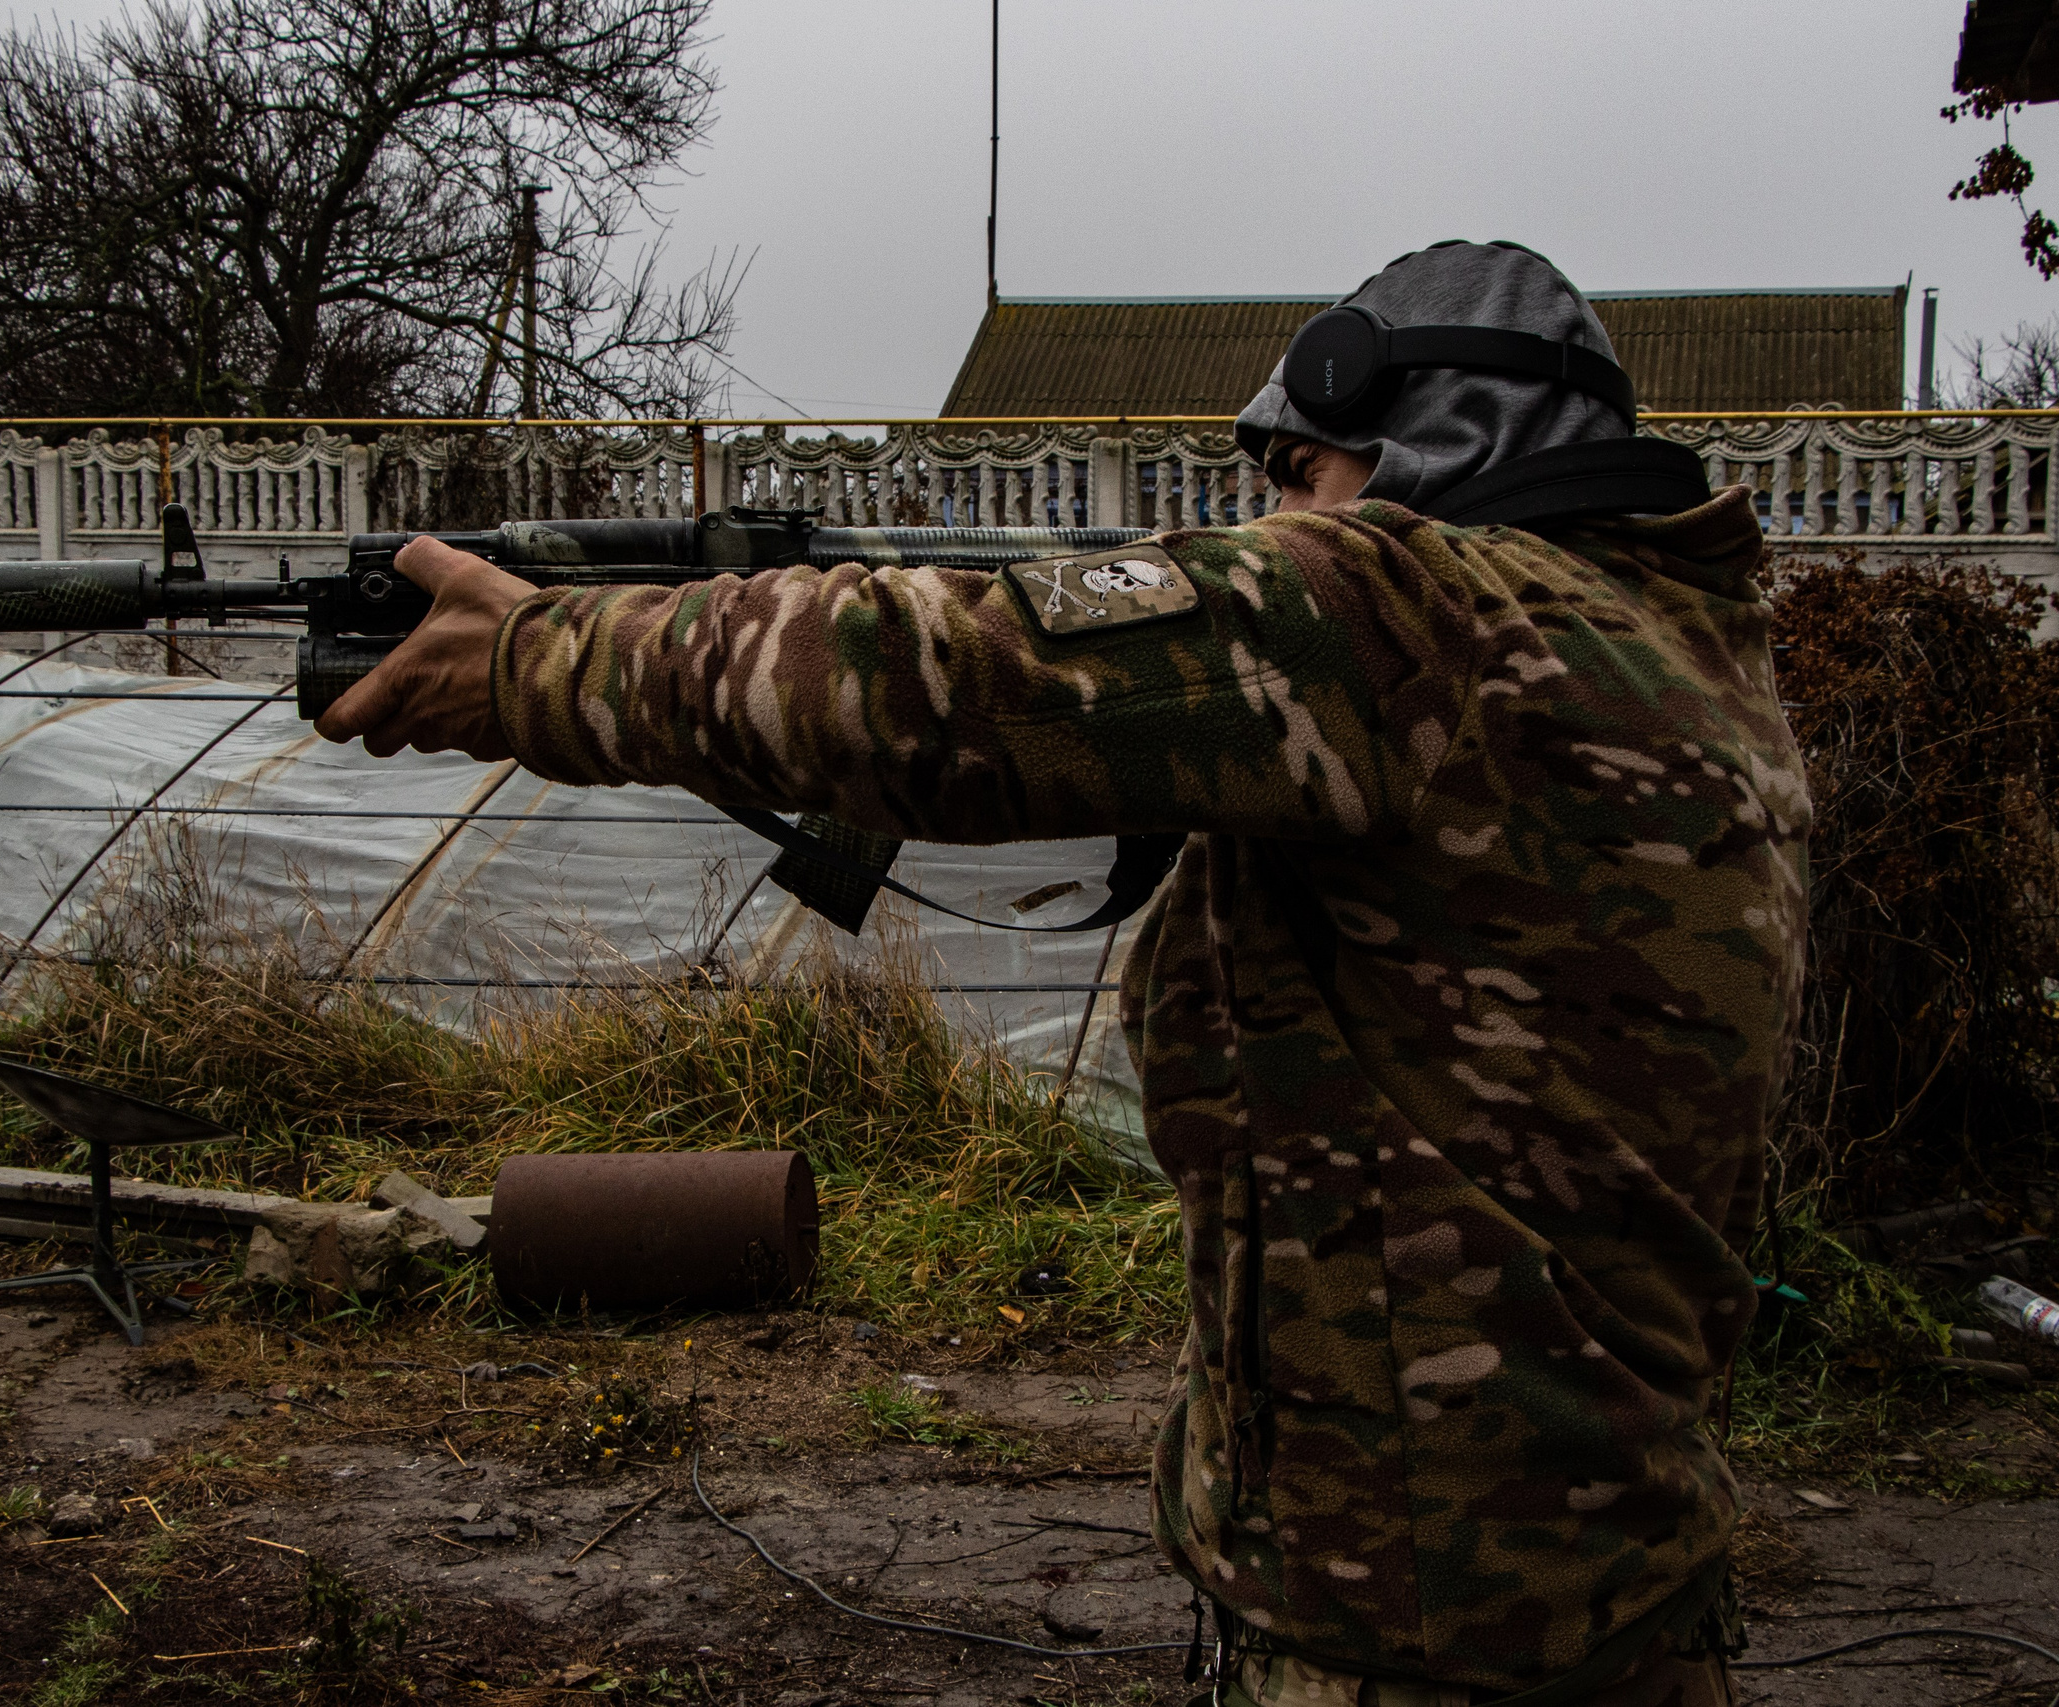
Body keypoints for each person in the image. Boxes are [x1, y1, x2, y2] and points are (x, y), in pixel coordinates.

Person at [316, 240, 1808, 1707]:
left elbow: (954, 673)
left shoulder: (1418, 616)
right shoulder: (1678, 646)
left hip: (1418, 1627)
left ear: (1429, 436)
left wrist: (538, 660)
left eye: (1300, 482)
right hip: (1605, 1571)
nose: (1276, 524)